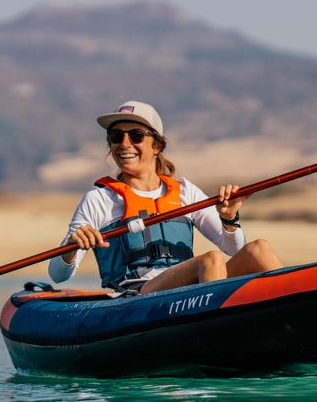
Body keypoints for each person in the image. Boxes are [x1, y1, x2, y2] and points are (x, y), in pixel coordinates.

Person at [49, 100, 283, 294]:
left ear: (157, 146)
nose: (124, 144)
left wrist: (230, 218)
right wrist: (71, 247)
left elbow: (234, 248)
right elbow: (58, 275)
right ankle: (218, 333)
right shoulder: (99, 199)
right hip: (137, 296)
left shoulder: (184, 191)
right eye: (116, 136)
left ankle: (296, 319)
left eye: (136, 136)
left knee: (259, 249)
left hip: (189, 292)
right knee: (211, 260)